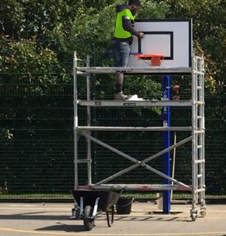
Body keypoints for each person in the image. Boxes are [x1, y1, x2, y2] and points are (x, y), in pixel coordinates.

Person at [112, 0, 144, 100]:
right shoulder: (126, 11)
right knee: (121, 68)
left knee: (119, 68)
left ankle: (118, 92)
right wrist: (138, 34)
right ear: (134, 6)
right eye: (137, 8)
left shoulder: (122, 11)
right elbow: (126, 26)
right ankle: (119, 93)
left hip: (117, 43)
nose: (137, 11)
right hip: (122, 43)